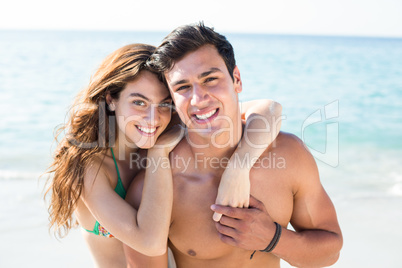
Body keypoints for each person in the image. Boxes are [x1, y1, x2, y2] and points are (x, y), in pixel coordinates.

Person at [124, 22, 343, 268]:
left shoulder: (289, 155)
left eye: (210, 79)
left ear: (236, 79)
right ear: (172, 99)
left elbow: (330, 252)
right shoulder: (154, 190)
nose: (199, 99)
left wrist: (272, 239)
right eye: (183, 87)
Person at [44, 43, 282, 268]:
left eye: (164, 104)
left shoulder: (168, 125)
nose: (152, 118)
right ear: (111, 100)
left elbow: (269, 109)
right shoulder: (89, 167)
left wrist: (238, 168)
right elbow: (150, 243)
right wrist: (158, 153)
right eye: (139, 102)